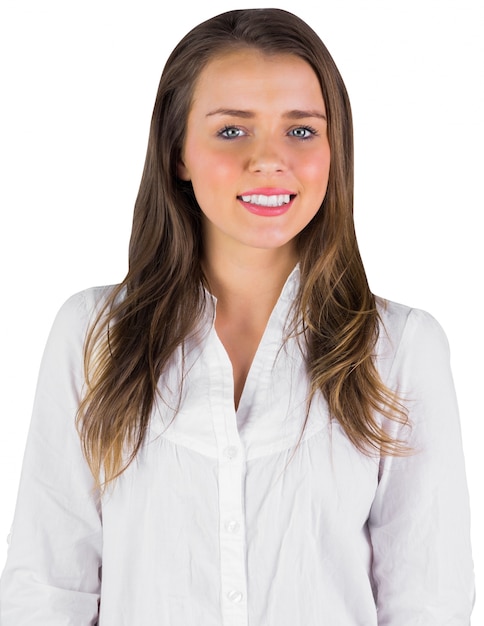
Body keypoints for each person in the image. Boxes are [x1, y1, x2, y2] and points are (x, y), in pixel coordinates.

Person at [0, 8, 474, 625]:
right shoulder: (93, 335)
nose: (269, 159)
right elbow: (48, 588)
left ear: (334, 150)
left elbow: (427, 602)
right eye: (232, 131)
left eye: (301, 131)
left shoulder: (403, 349)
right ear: (178, 153)